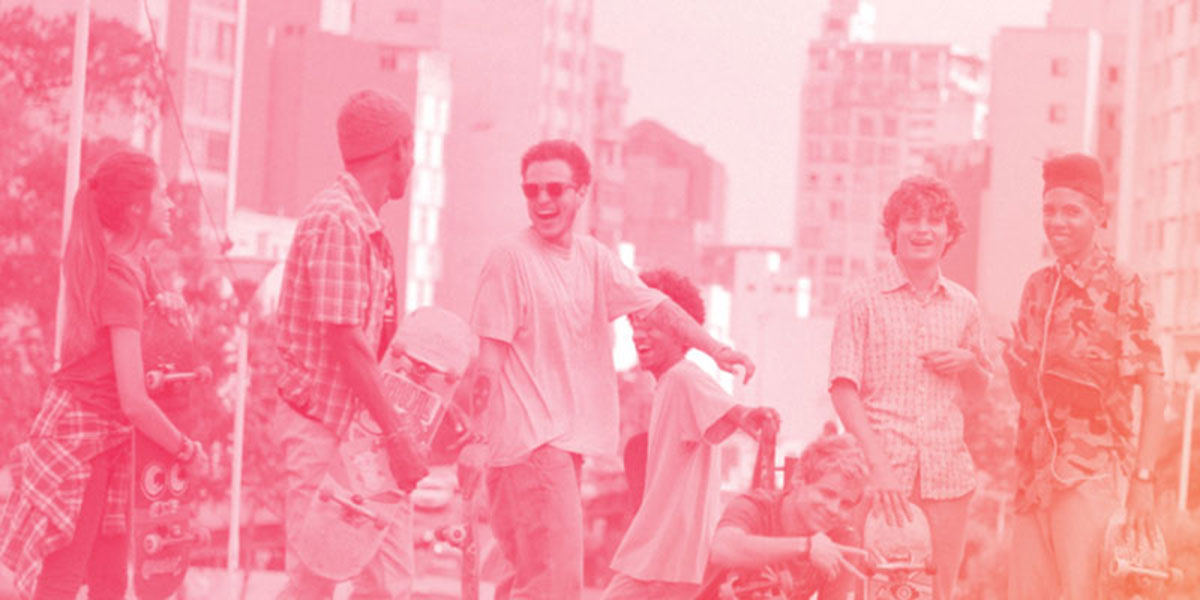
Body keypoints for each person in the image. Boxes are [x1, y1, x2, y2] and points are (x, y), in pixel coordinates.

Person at [469, 139, 756, 599]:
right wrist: (477, 444)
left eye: (555, 189)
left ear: (581, 192)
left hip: (554, 452)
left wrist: (716, 350)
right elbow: (489, 362)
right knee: (555, 588)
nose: (542, 200)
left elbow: (657, 306)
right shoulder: (511, 258)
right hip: (535, 447)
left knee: (524, 582)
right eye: (532, 190)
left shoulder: (592, 258)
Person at [0, 150, 209, 599]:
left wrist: (168, 304)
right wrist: (186, 449)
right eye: (163, 195)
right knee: (61, 579)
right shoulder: (118, 279)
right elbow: (134, 399)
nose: (172, 204)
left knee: (111, 581)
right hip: (81, 437)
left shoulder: (138, 269)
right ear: (137, 208)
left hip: (110, 442)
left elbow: (154, 355)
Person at [274, 90, 426, 600]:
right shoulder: (339, 219)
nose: (413, 160)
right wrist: (399, 436)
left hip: (361, 438)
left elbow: (373, 347)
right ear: (399, 148)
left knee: (386, 585)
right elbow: (347, 343)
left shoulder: (362, 225)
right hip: (326, 433)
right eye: (412, 148)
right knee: (312, 584)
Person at [1003, 153, 1165, 600]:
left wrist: (1144, 483)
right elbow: (1029, 396)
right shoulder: (1036, 287)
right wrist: (1016, 369)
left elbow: (1154, 386)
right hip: (1032, 481)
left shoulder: (1123, 285)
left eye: (1072, 211)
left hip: (1090, 475)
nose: (1058, 221)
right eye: (1049, 210)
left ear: (1100, 216)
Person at [828, 175, 991, 600]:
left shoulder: (964, 305)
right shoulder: (861, 299)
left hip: (947, 475)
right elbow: (843, 388)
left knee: (938, 591)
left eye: (935, 220)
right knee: (867, 588)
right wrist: (878, 467)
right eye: (911, 219)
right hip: (877, 475)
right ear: (893, 233)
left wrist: (969, 363)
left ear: (949, 234)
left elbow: (978, 392)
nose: (923, 229)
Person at [602, 268, 780, 600]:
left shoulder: (684, 378)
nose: (639, 335)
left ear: (684, 334)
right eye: (635, 326)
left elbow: (732, 411)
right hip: (666, 558)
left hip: (661, 560)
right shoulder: (669, 384)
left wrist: (748, 416)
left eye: (651, 326)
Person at [698, 434, 869, 600]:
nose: (834, 509)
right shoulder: (757, 507)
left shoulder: (841, 538)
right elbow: (722, 548)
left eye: (846, 504)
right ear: (798, 479)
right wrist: (806, 547)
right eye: (827, 493)